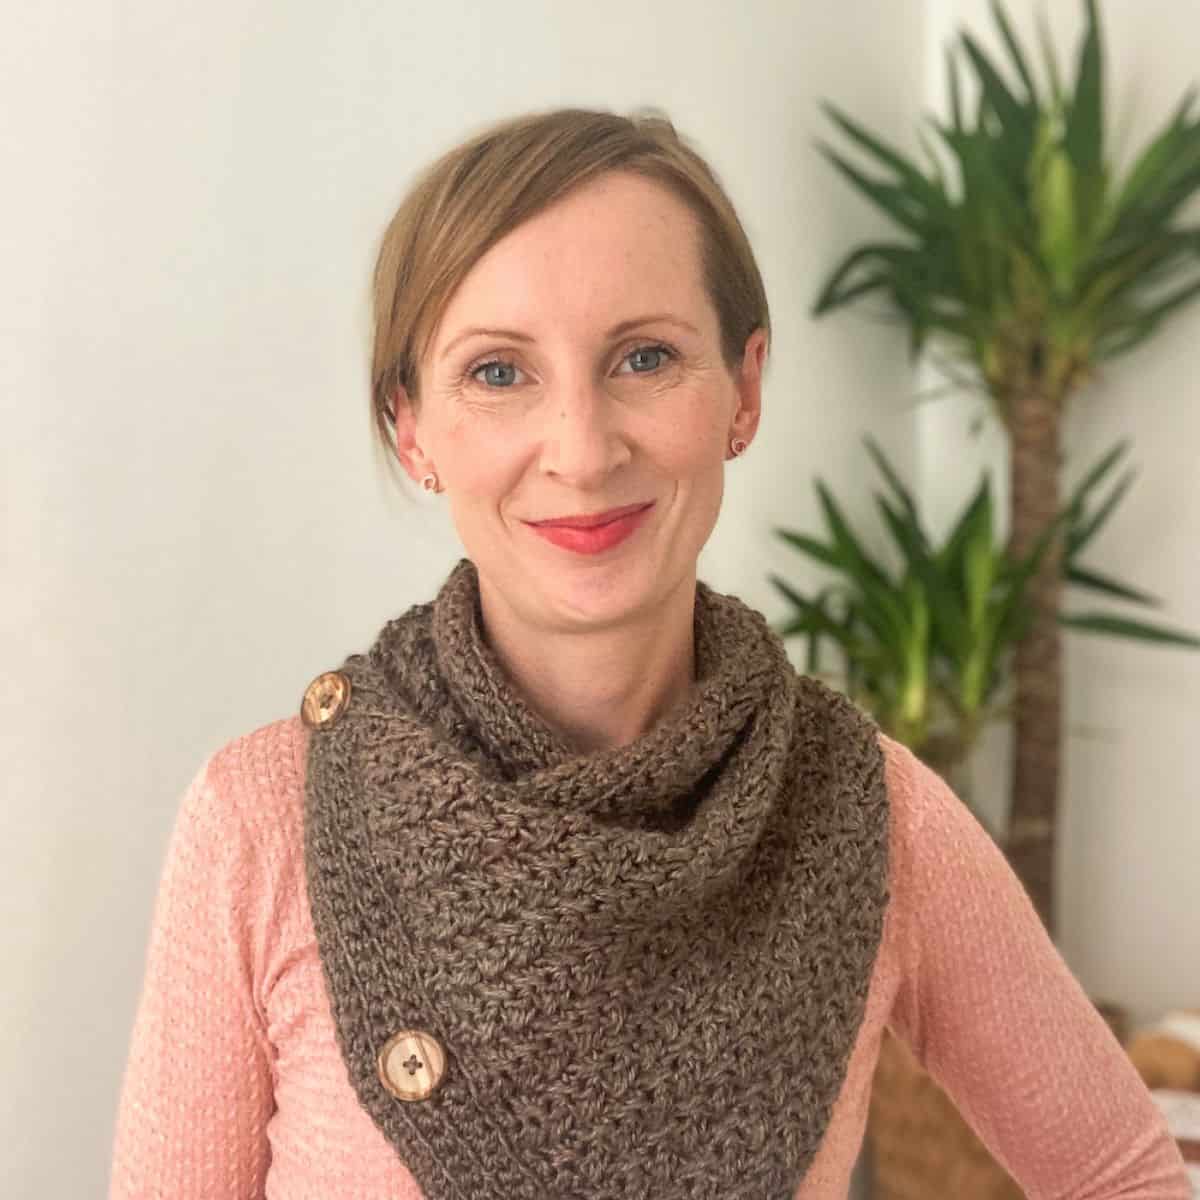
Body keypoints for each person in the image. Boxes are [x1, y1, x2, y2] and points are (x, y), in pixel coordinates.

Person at [108, 107, 1190, 1199]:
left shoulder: (873, 817)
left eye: (645, 357)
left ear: (744, 390)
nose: (581, 448)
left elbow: (1123, 1175)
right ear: (411, 426)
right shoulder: (261, 826)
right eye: (497, 373)